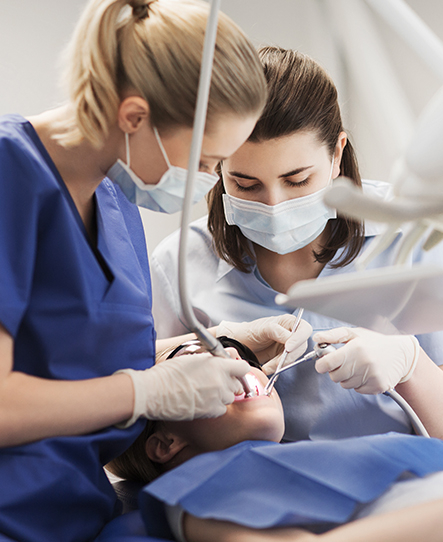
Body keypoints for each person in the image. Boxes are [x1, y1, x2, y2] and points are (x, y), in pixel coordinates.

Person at [0, 3, 314, 542]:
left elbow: (66, 355)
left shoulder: (115, 202)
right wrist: (145, 393)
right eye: (208, 160)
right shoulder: (11, 175)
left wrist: (217, 342)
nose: (209, 179)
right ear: (135, 117)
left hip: (78, 518)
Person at [150, 46, 443, 446]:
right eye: (245, 184)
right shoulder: (178, 265)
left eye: (297, 180)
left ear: (337, 155)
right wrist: (216, 345)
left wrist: (410, 364)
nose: (274, 205)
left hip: (404, 480)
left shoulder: (415, 235)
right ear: (216, 166)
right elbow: (137, 421)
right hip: (260, 492)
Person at [100, 345, 443, 542]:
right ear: (165, 444)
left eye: (229, 353)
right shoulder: (190, 494)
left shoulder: (299, 456)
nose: (231, 360)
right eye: (193, 359)